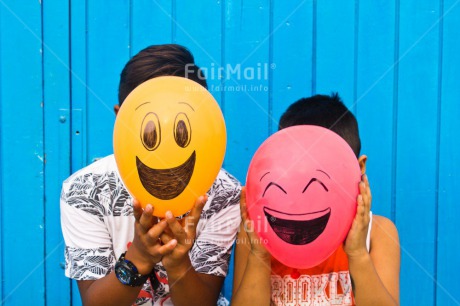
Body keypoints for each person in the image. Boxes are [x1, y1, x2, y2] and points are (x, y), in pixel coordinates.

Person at [61, 44, 241, 306]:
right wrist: (139, 258)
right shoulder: (85, 190)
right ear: (119, 117)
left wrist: (179, 263)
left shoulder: (224, 193)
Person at [232, 93, 400, 305]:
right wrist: (260, 256)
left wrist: (357, 253)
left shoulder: (378, 233)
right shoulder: (254, 233)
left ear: (359, 168)